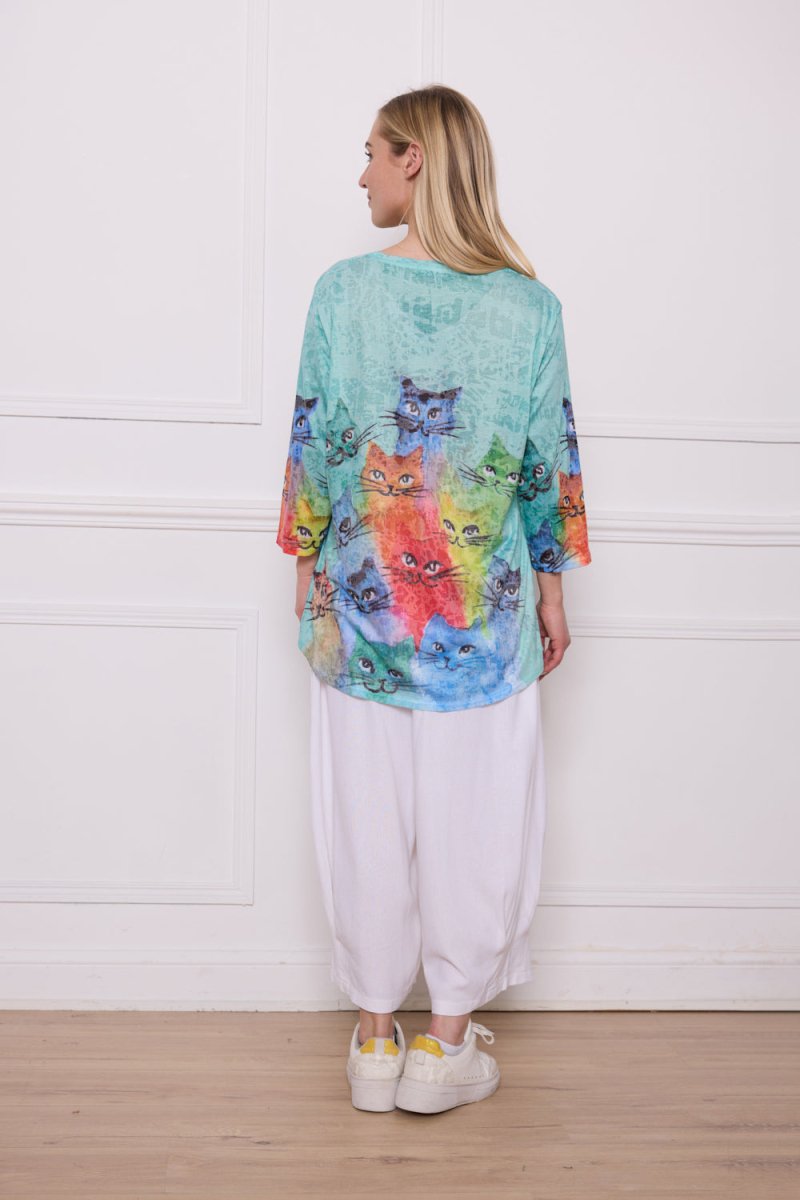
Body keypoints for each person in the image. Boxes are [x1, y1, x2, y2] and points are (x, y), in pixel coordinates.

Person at [276, 84, 591, 1114]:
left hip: (360, 614)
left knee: (364, 822)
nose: (360, 173)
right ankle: (442, 1047)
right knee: (476, 824)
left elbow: (315, 440)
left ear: (412, 159)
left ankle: (376, 1043)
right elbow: (544, 466)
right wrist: (551, 592)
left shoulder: (341, 293)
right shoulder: (531, 308)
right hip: (481, 623)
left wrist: (306, 566)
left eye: (371, 151)